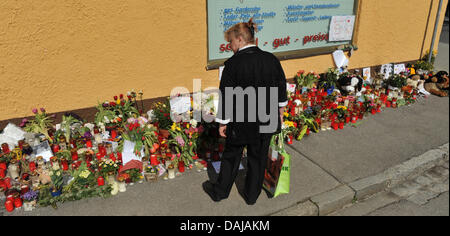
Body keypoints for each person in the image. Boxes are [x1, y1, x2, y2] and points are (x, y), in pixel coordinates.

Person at [202, 18, 288, 205]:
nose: (230, 46)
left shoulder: (232, 65)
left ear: (240, 39)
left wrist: (223, 122)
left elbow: (226, 96)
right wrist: (280, 111)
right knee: (258, 159)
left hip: (241, 121)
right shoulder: (271, 59)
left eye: (231, 42)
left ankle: (220, 192)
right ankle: (251, 196)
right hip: (266, 119)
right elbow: (281, 88)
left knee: (232, 156)